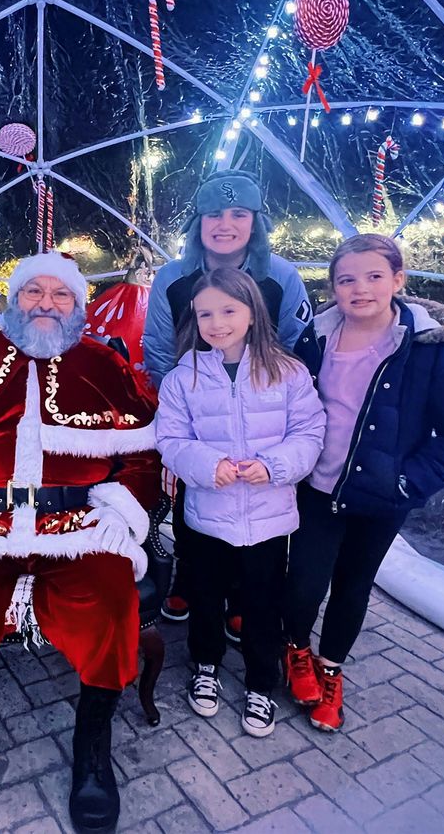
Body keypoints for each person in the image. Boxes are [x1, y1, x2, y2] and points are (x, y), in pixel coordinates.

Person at [0, 252, 160, 832]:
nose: (46, 303)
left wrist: (122, 511)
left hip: (79, 529)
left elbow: (142, 455)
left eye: (60, 294)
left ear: (79, 304)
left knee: (111, 605)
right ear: (13, 298)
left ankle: (92, 747)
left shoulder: (105, 364)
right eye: (32, 292)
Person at [282, 234, 444, 732]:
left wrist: (405, 483)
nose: (360, 289)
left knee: (353, 586)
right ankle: (296, 651)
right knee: (305, 581)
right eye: (346, 279)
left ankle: (332, 670)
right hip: (316, 488)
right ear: (333, 286)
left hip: (381, 497)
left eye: (374, 276)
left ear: (398, 280)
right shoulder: (317, 337)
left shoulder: (429, 348)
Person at [156, 268, 325, 736]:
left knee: (261, 602)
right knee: (205, 597)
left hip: (268, 521)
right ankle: (205, 667)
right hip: (208, 517)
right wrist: (207, 464)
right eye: (206, 312)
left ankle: (260, 682)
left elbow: (310, 432)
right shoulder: (183, 376)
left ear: (252, 313)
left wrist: (275, 465)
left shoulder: (286, 372)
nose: (217, 322)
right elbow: (170, 437)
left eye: (229, 310)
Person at [144, 170, 312, 630]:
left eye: (239, 213)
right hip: (196, 409)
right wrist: (181, 401)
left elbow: (297, 342)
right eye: (213, 213)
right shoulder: (173, 279)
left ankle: (242, 597)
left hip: (263, 416)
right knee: (192, 503)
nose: (225, 223)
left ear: (255, 221)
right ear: (197, 221)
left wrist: (272, 397)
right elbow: (158, 346)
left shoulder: (281, 277)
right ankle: (189, 581)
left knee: (259, 504)